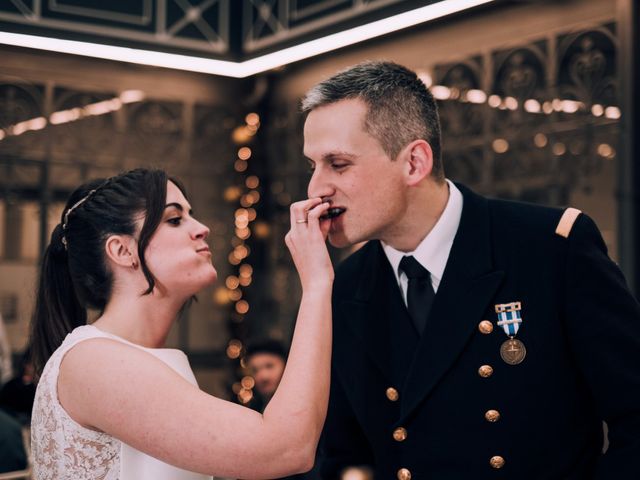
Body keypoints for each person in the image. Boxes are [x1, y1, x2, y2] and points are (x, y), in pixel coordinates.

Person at [300, 61, 640, 479]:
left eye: (338, 163)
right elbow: (344, 453)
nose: (316, 188)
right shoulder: (343, 287)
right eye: (312, 166)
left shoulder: (551, 247)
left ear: (414, 163)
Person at [29, 168, 334, 479]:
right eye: (174, 219)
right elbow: (286, 448)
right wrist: (316, 283)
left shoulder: (136, 360)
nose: (202, 229)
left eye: (192, 215)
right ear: (122, 251)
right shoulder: (96, 361)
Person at [245, 340, 287, 412]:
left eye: (269, 366)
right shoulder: (253, 410)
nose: (264, 377)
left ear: (285, 365)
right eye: (255, 370)